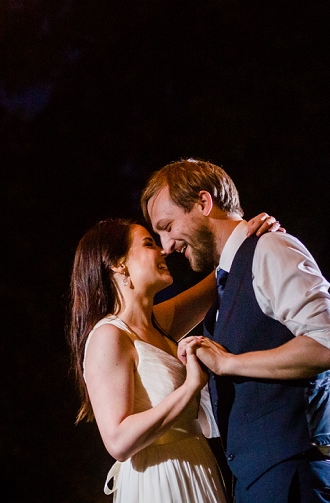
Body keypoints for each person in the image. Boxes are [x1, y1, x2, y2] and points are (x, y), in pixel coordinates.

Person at [141, 159, 330, 503]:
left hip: (297, 480)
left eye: (167, 226)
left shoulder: (271, 247)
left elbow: (329, 345)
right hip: (257, 484)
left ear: (204, 203)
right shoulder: (226, 286)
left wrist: (230, 364)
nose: (166, 246)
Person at [69, 214, 280, 502]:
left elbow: (219, 280)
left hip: (198, 467)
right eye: (148, 244)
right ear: (118, 264)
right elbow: (117, 441)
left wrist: (251, 236)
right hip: (159, 478)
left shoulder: (156, 324)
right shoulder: (109, 335)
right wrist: (190, 386)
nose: (163, 250)